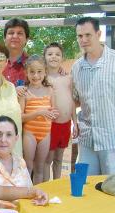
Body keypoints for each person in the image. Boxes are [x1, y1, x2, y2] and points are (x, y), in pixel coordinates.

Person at [72, 17, 115, 175]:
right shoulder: (77, 67)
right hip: (87, 140)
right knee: (87, 191)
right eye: (80, 36)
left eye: (88, 35)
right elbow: (75, 100)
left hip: (114, 141)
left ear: (98, 33)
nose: (83, 40)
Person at [20, 55, 58, 184]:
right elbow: (21, 117)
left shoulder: (50, 90)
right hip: (30, 133)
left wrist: (53, 113)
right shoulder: (25, 92)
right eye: (32, 72)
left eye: (39, 72)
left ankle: (38, 194)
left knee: (40, 168)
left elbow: (53, 110)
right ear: (26, 73)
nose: (35, 75)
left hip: (45, 134)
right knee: (28, 166)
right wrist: (39, 113)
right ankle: (26, 192)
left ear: (45, 72)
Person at [43, 43, 78, 180]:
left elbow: (72, 101)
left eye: (57, 54)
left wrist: (75, 122)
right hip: (51, 125)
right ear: (44, 57)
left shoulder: (68, 78)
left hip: (65, 124)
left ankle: (56, 185)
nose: (54, 57)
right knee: (48, 159)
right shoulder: (43, 78)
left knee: (59, 158)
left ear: (62, 58)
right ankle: (46, 188)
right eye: (50, 54)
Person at [2, 18, 30, 87]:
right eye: (11, 33)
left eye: (20, 33)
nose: (15, 36)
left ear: (27, 39)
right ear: (4, 39)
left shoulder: (33, 64)